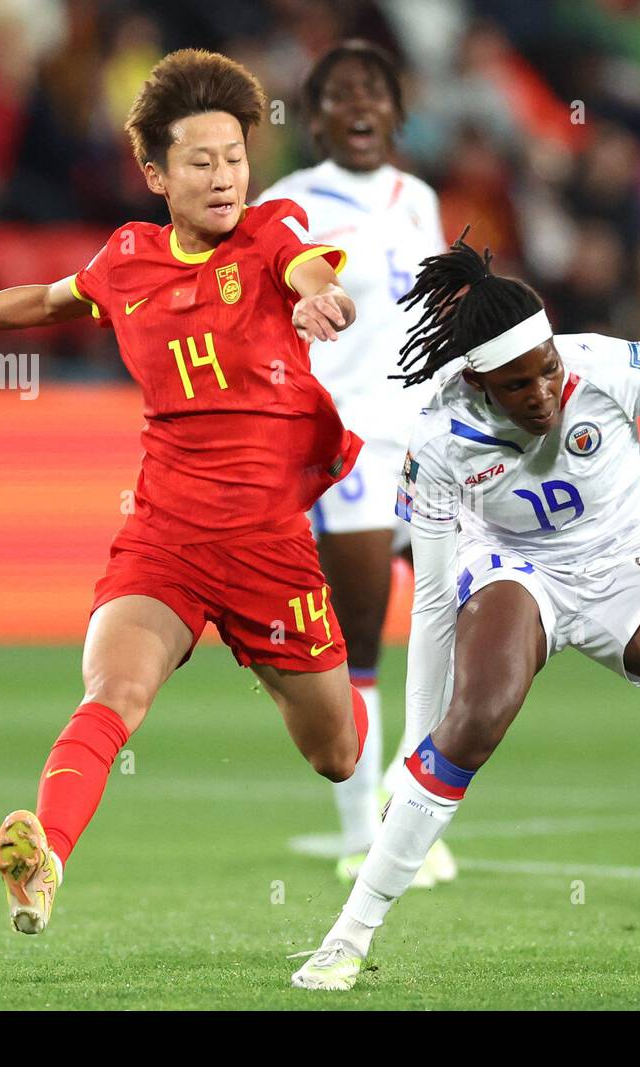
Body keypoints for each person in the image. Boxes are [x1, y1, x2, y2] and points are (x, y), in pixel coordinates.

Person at [0, 49, 370, 936]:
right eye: (200, 162)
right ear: (156, 174)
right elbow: (48, 301)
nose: (223, 177)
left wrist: (325, 298)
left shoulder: (273, 232)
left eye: (235, 156)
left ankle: (321, 690)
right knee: (111, 694)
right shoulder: (126, 260)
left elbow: (309, 270)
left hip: (269, 551)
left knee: (338, 754)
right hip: (164, 534)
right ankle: (44, 856)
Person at [290, 232, 640, 990]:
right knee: (474, 721)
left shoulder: (608, 364)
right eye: (519, 385)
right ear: (480, 383)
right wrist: (420, 739)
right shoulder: (436, 436)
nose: (543, 393)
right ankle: (349, 936)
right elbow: (429, 601)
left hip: (629, 557)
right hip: (516, 568)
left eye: (548, 368)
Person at [259, 41, 456, 886]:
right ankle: (359, 838)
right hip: (348, 444)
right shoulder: (285, 205)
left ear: (397, 112)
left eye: (374, 90)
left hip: (432, 443)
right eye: (340, 94)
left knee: (450, 632)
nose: (360, 104)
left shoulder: (421, 199)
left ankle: (411, 821)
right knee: (361, 639)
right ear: (315, 118)